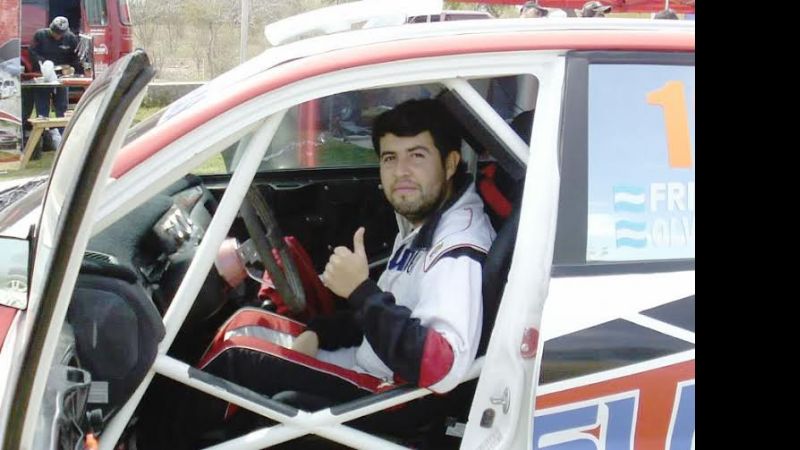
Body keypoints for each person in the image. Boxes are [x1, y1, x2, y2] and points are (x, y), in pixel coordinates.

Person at [187, 98, 496, 444]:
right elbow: (393, 312)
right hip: (371, 361)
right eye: (390, 158)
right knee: (247, 323)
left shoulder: (457, 248)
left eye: (417, 156)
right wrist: (322, 331)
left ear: (450, 164)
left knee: (235, 359)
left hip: (392, 397)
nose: (401, 171)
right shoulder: (423, 224)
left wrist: (361, 291)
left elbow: (440, 365)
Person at [27, 16, 83, 148]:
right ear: (51, 29)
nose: (57, 36)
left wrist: (74, 68)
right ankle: (44, 139)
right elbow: (32, 52)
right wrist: (43, 64)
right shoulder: (40, 35)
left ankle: (62, 138)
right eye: (55, 33)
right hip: (43, 75)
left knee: (61, 107)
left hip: (61, 77)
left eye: (60, 34)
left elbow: (75, 57)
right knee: (42, 107)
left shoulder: (70, 38)